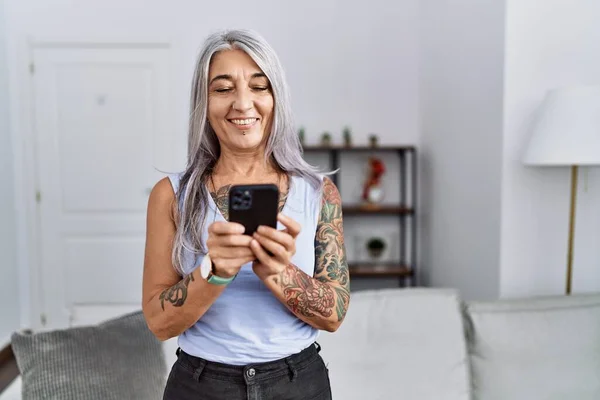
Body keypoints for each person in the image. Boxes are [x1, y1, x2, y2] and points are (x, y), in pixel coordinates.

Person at [142, 29, 350, 400]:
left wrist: (277, 271)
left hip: (298, 383)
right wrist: (215, 270)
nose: (242, 103)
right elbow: (159, 323)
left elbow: (334, 315)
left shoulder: (319, 192)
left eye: (259, 86)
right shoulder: (170, 195)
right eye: (223, 89)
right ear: (203, 103)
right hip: (201, 385)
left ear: (276, 98)